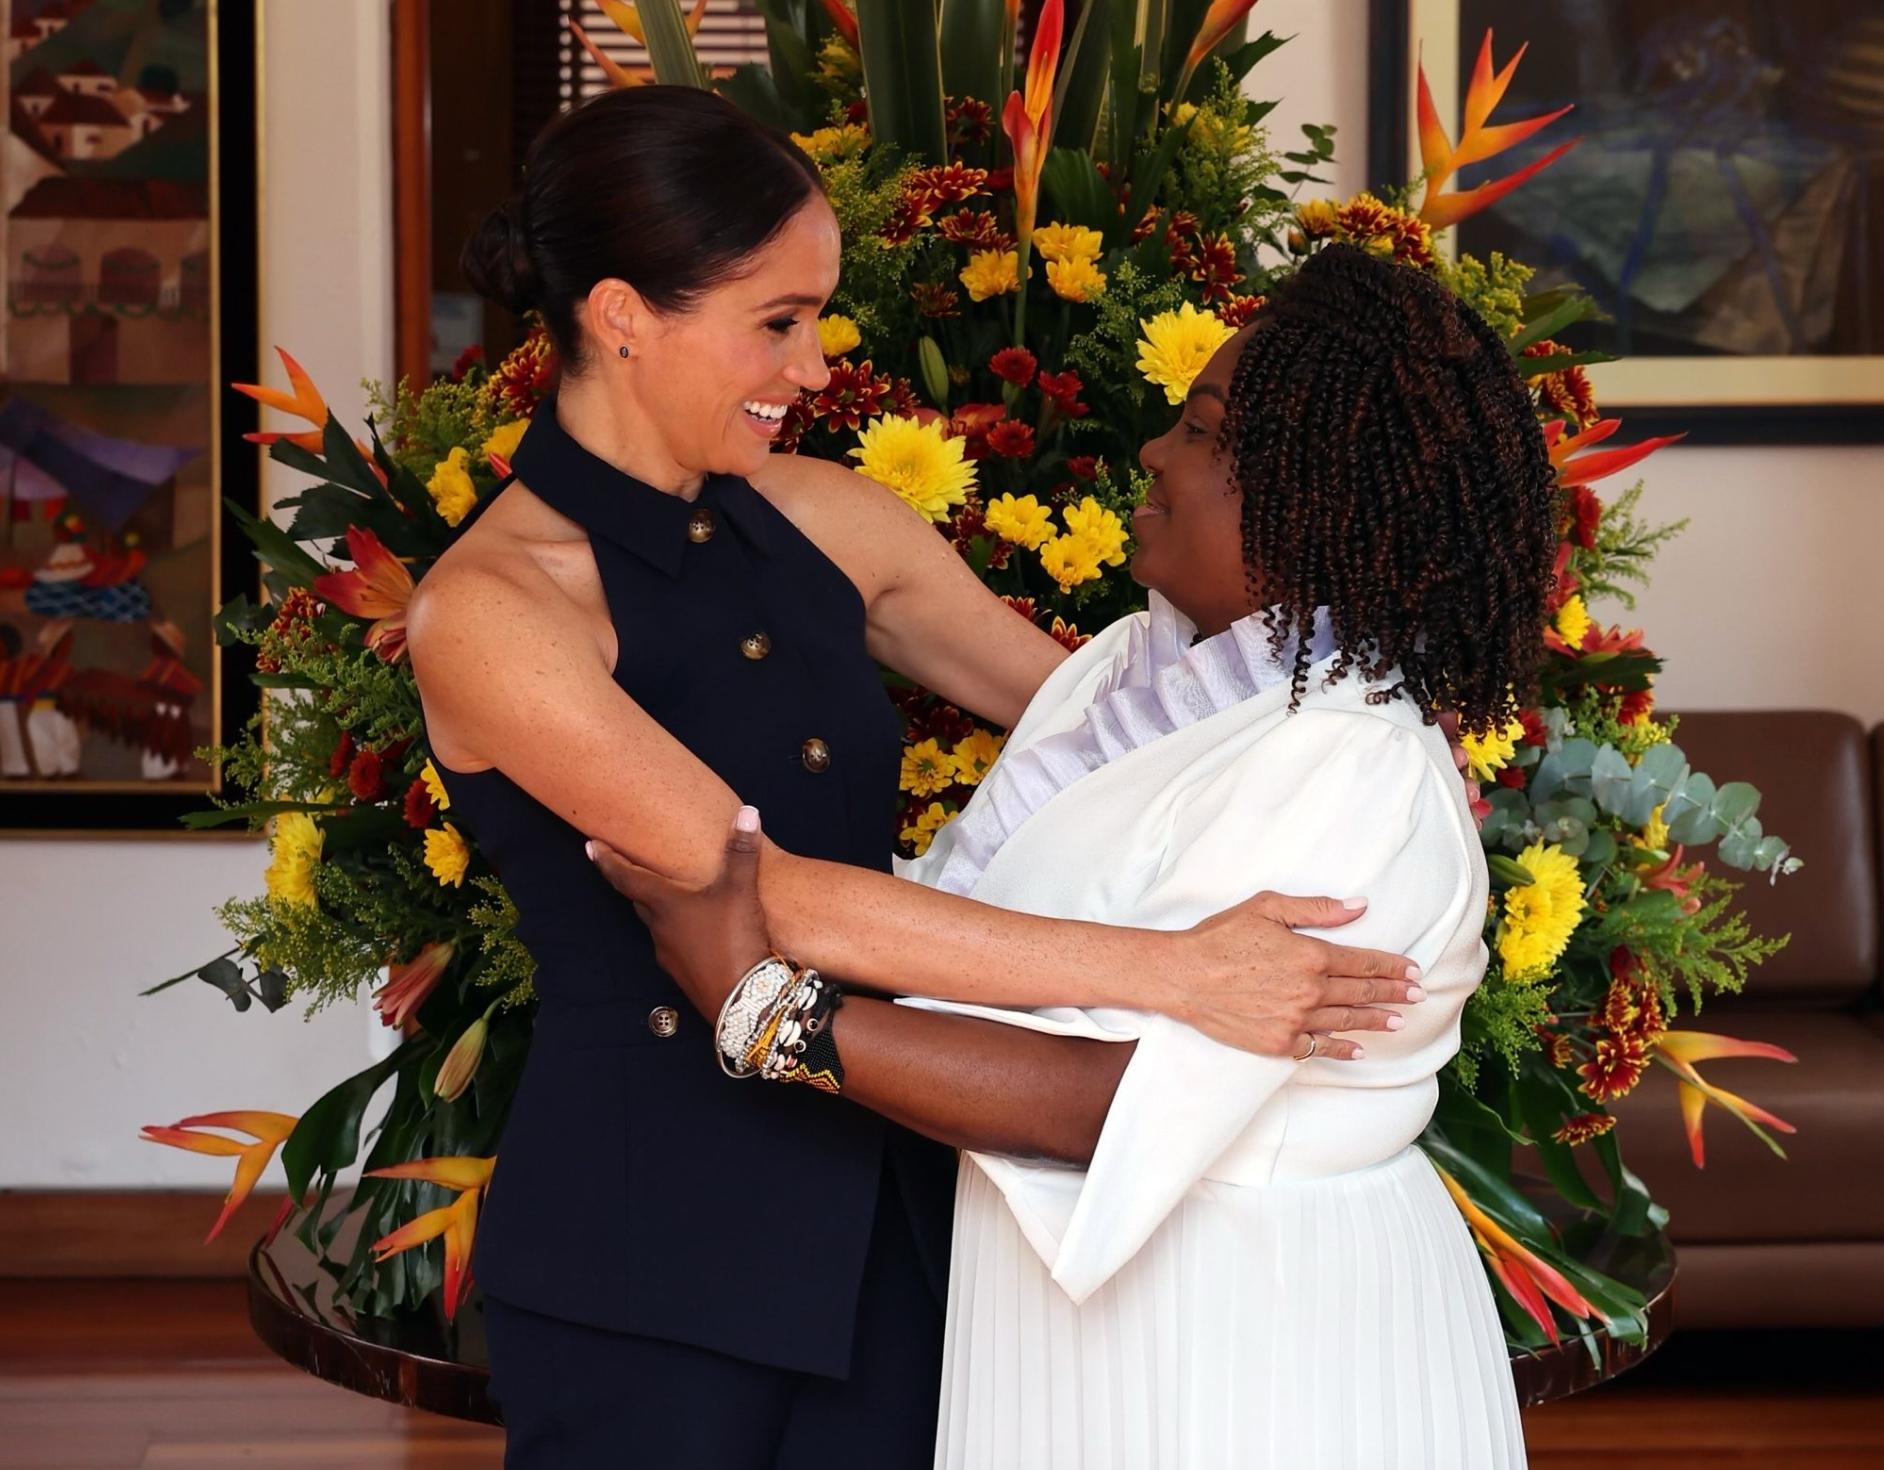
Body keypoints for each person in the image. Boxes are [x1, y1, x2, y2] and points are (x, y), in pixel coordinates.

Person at [410, 87, 1432, 1469]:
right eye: (777, 320)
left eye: (817, 315)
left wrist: (1369, 763)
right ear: (620, 314)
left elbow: (1127, 724)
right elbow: (763, 896)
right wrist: (1174, 969)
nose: (818, 366)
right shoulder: (490, 611)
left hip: (904, 1206)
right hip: (654, 1244)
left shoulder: (832, 516)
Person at [593, 241, 1557, 1469]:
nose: (1155, 453)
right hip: (1082, 1295)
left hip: (1250, 1327)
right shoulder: (1126, 673)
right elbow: (966, 936)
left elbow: (1112, 1103)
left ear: (1315, 496)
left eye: (1201, 430)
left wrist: (763, 1009)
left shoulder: (1349, 767)